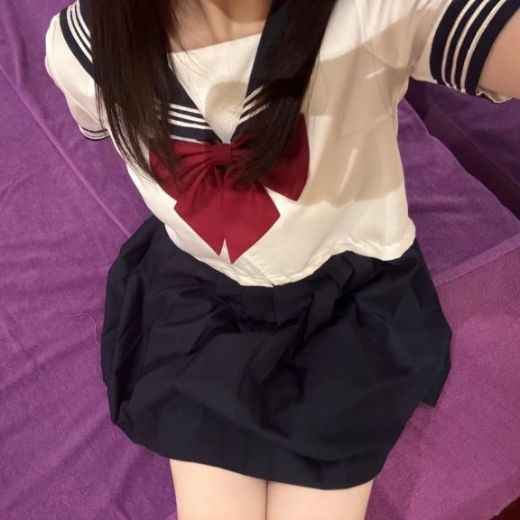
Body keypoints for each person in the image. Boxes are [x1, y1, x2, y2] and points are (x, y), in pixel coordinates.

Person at [44, 0, 519, 518]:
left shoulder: (372, 10)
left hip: (350, 305)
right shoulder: (81, 48)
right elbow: (96, 116)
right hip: (202, 302)